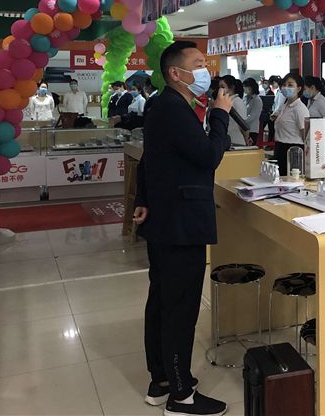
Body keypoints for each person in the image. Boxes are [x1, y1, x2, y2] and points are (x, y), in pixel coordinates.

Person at [132, 40, 230, 416]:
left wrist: (143, 198)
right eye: (199, 64)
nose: (206, 70)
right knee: (179, 307)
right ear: (176, 73)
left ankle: (161, 380)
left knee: (162, 300)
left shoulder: (165, 105)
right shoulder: (174, 108)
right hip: (180, 223)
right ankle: (181, 394)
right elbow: (209, 156)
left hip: (165, 217)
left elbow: (149, 162)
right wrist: (220, 115)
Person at [273, 73, 310, 175]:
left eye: (290, 85)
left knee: (290, 180)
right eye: (284, 85)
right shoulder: (285, 105)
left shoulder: (299, 108)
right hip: (280, 147)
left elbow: (306, 135)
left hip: (293, 150)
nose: (286, 88)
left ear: (298, 88)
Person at [219, 75, 248, 146]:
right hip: (227, 140)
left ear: (231, 87)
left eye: (223, 87)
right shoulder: (226, 101)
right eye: (219, 87)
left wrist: (247, 139)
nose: (220, 90)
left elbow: (243, 125)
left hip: (237, 141)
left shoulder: (237, 102)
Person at [242, 77, 263, 145]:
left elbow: (253, 116)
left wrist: (242, 122)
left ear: (252, 87)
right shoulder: (245, 98)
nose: (244, 88)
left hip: (252, 129)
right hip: (244, 128)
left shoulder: (257, 100)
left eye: (246, 86)